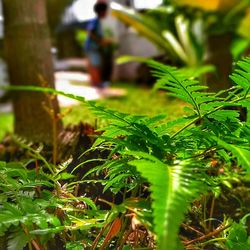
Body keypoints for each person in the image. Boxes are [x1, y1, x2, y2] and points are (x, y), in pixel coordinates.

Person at [85, 2, 111, 88]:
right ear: (101, 12)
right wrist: (100, 41)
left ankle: (95, 82)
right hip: (92, 47)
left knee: (95, 64)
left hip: (94, 47)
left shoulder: (98, 22)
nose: (106, 13)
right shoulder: (95, 21)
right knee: (95, 64)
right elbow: (90, 32)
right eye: (106, 11)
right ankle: (97, 83)